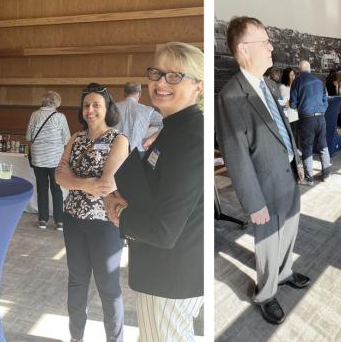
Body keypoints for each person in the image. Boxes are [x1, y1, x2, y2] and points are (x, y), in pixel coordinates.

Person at [105, 43, 206, 341]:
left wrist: (119, 213)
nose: (161, 82)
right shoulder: (173, 127)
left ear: (197, 87)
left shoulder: (189, 137)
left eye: (175, 76)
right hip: (165, 272)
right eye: (157, 73)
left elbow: (164, 230)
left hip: (171, 277)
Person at [217, 17, 310, 325]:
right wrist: (253, 202)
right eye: (265, 42)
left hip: (286, 175)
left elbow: (281, 128)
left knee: (290, 230)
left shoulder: (267, 84)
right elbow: (236, 155)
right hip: (263, 183)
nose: (272, 47)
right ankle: (266, 292)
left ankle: (284, 274)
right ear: (244, 49)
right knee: (268, 242)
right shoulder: (231, 95)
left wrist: (296, 162)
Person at [55, 83, 129, 342]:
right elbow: (58, 174)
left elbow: (106, 184)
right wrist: (86, 184)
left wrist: (74, 181)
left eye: (96, 104)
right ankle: (76, 337)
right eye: (86, 105)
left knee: (108, 287)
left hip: (105, 223)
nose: (90, 110)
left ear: (107, 108)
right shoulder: (76, 138)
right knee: (76, 281)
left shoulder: (118, 140)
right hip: (73, 219)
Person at [26, 91, 70, 230]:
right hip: (55, 159)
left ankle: (43, 220)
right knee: (57, 189)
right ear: (56, 103)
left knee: (42, 188)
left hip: (38, 158)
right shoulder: (60, 117)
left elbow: (29, 136)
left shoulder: (34, 115)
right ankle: (60, 221)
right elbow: (67, 139)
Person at [290, 59, 331, 182]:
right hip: (321, 118)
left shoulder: (297, 82)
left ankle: (309, 178)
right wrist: (321, 110)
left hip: (306, 119)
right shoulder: (319, 81)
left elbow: (292, 104)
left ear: (299, 70)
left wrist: (300, 107)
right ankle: (326, 175)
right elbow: (326, 100)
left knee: (307, 147)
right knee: (323, 146)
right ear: (310, 69)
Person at [113, 82, 163, 151]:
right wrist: (151, 138)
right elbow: (167, 123)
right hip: (138, 153)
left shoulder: (112, 109)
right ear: (139, 94)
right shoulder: (148, 111)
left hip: (115, 152)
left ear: (124, 93)